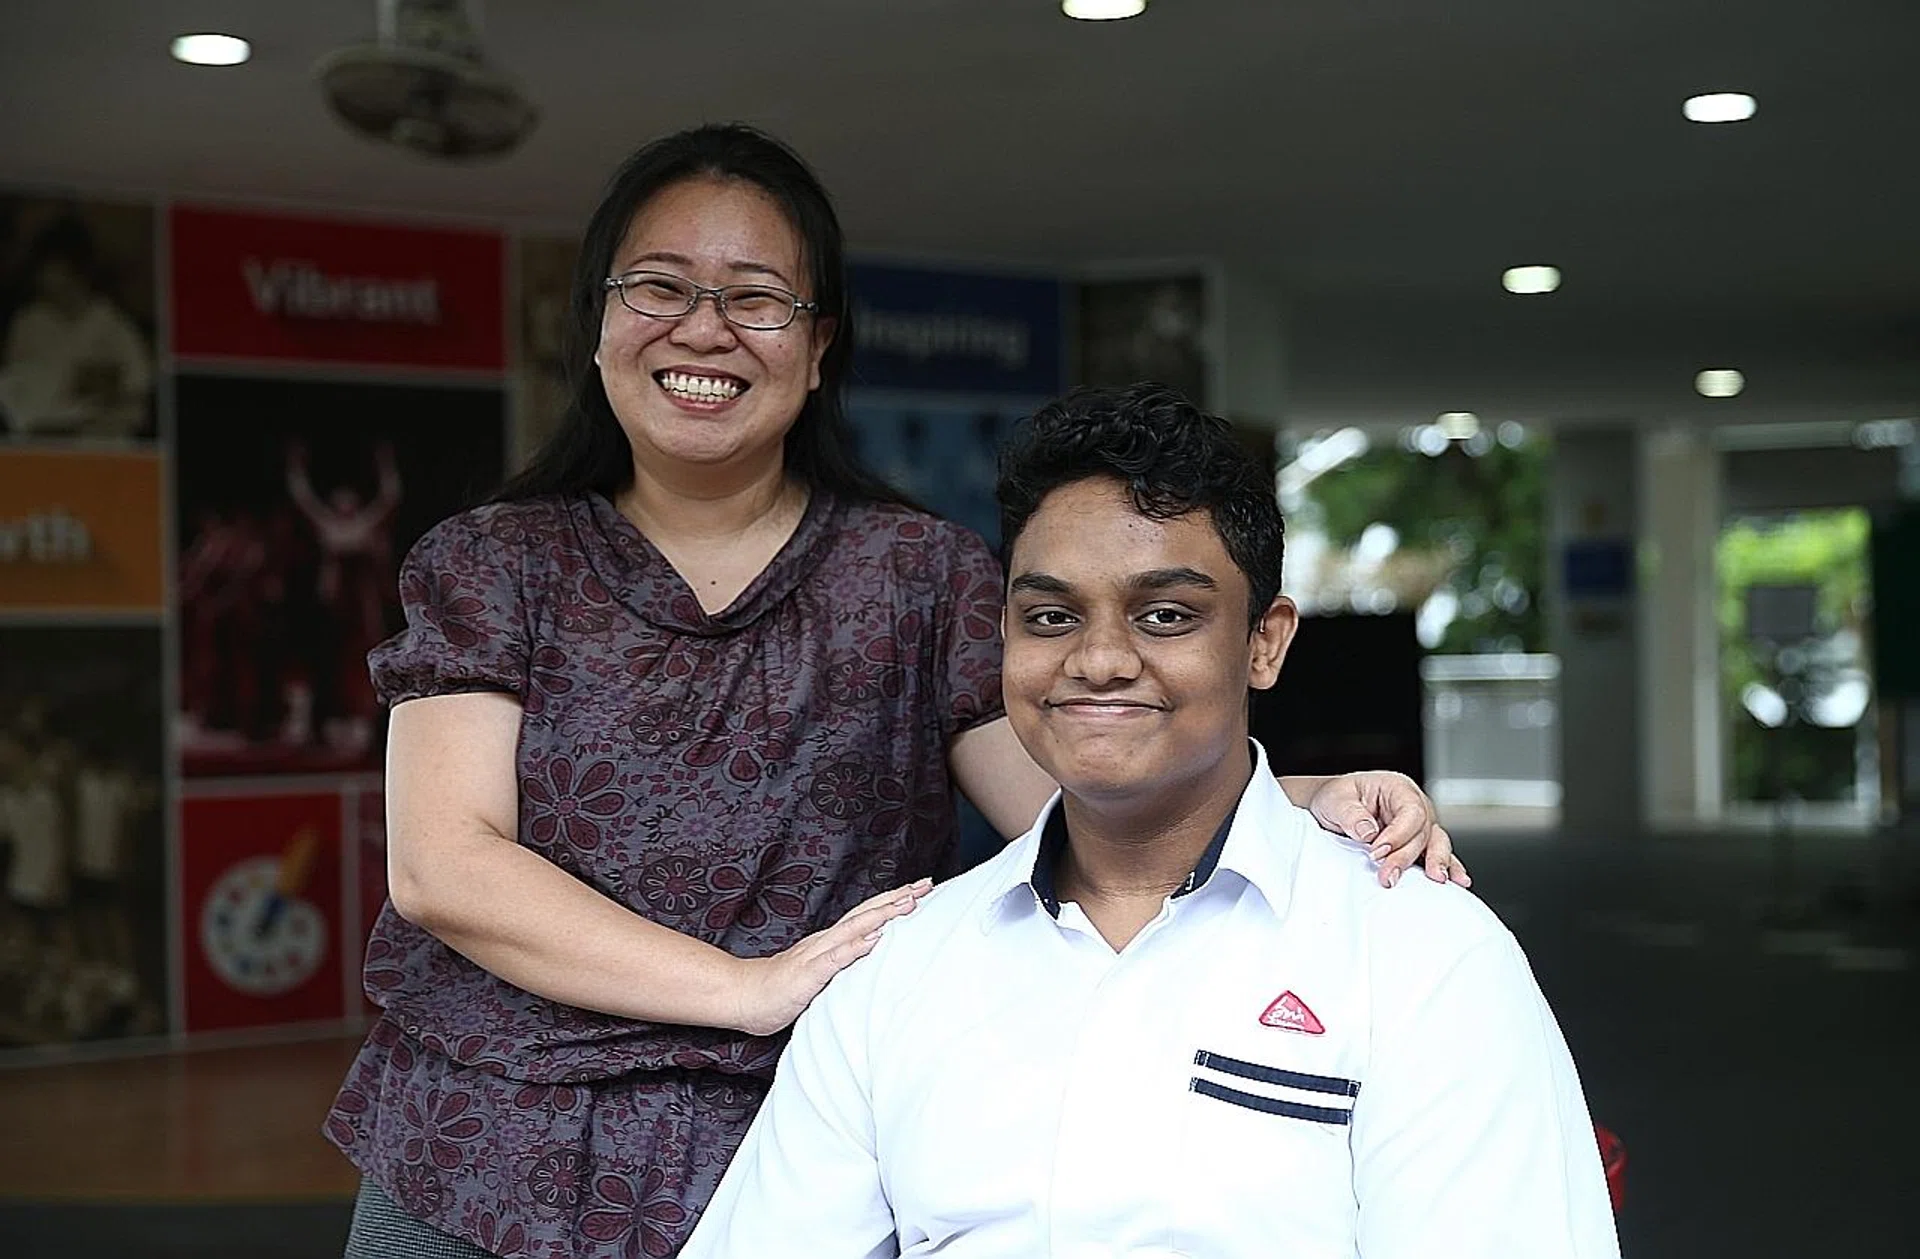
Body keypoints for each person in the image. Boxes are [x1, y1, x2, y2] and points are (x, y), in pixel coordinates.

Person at [326, 125, 1463, 1259]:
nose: (704, 329)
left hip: (802, 1138)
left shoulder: (920, 574)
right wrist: (742, 985)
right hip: (484, 1141)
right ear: (599, 321)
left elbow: (1078, 800)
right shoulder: (490, 563)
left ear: (819, 345)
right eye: (659, 286)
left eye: (756, 297)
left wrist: (1309, 796)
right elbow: (444, 866)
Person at [682, 383, 1618, 1259]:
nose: (1098, 659)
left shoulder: (1421, 955)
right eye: (1049, 616)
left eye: (1165, 614)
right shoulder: (899, 973)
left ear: (1266, 641)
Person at [0, 215, 151, 439]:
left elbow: (137, 396)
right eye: (42, 270)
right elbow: (12, 393)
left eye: (52, 269)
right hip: (39, 444)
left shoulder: (115, 326)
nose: (44, 278)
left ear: (76, 271)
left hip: (98, 447)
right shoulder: (27, 324)